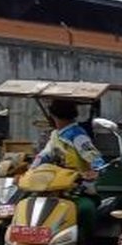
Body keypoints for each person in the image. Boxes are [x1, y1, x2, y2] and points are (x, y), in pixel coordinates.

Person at [31, 100, 107, 234]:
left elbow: (95, 158)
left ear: (53, 116)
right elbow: (43, 157)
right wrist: (30, 172)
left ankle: (86, 242)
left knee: (86, 209)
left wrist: (96, 170)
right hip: (53, 188)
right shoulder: (56, 135)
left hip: (77, 190)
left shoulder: (78, 135)